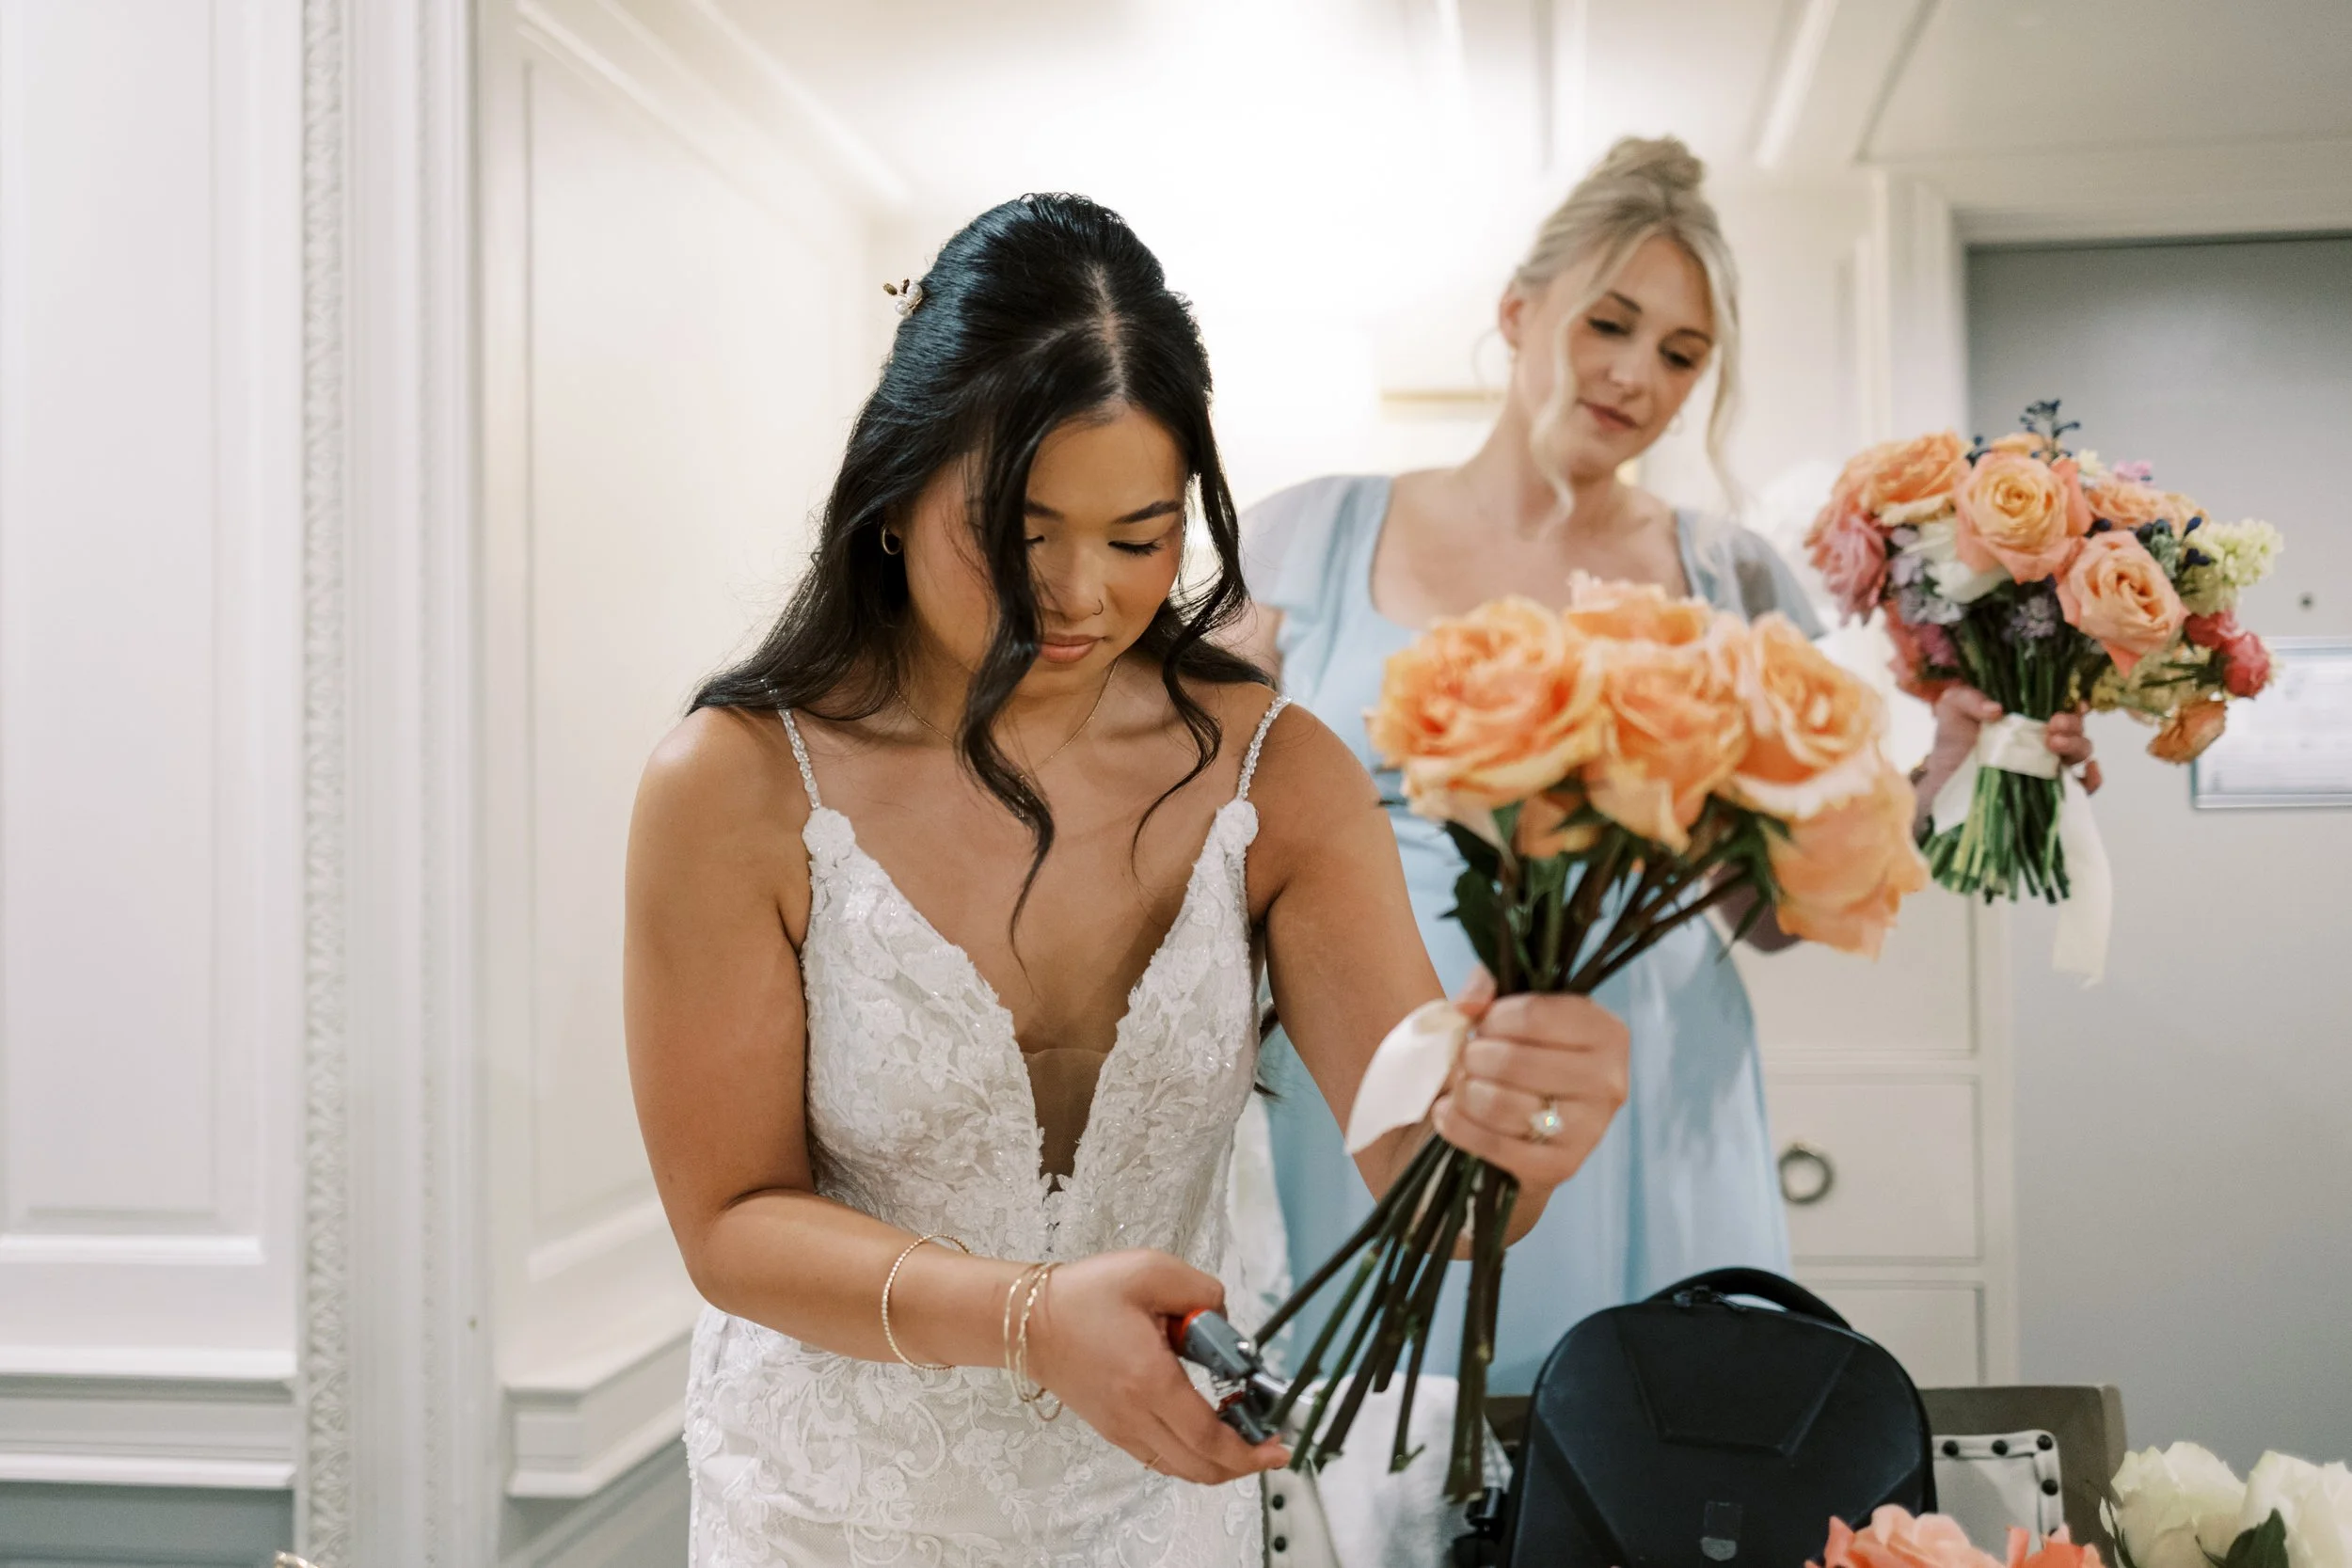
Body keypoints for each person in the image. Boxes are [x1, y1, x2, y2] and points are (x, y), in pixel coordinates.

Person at [624, 193, 1631, 1568]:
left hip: (1153, 1508)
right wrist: (1032, 1317)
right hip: (827, 1512)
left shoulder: (1281, 777)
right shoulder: (733, 784)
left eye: (1140, 536)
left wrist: (1526, 1122)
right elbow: (731, 1220)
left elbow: (1435, 1185)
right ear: (894, 487)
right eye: (1016, 531)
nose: (1079, 596)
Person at [1228, 136, 2097, 1399]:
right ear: (1520, 314)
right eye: (1610, 324)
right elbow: (1185, 825)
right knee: (1360, 1465)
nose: (1636, 374)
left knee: (1634, 1459)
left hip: (1647, 1086)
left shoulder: (1736, 578)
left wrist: (1954, 761)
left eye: (1681, 354)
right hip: (1362, 1069)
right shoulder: (1302, 535)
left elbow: (1778, 902)